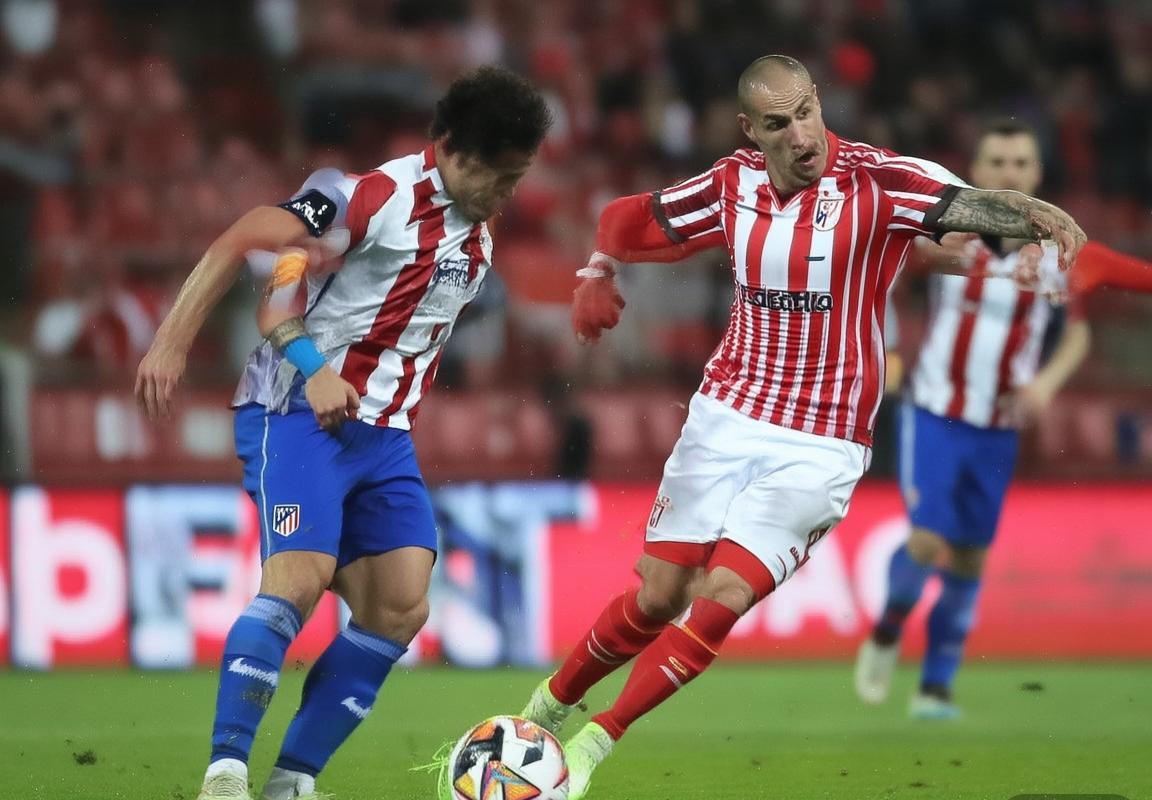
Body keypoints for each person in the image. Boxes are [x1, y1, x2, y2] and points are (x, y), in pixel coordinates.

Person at [513, 55, 1085, 800]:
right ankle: (547, 708)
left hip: (822, 438)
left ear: (819, 102)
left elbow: (966, 207)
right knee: (659, 594)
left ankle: (597, 740)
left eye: (807, 112)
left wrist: (1038, 214)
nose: (801, 135)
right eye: (779, 124)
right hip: (726, 414)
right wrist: (597, 269)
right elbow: (631, 216)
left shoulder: (878, 181)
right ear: (751, 130)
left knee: (722, 592)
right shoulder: (733, 184)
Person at [134, 66, 551, 800]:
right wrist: (179, 342)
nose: (506, 194)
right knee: (297, 584)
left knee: (400, 607)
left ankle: (291, 781)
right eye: (499, 176)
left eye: (516, 180)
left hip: (383, 438)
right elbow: (252, 247)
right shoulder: (370, 196)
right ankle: (226, 773)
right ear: (455, 151)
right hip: (298, 410)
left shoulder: (477, 235)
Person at [854, 119, 1152, 719]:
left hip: (998, 427)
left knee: (969, 558)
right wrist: (888, 352)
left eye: (1020, 163)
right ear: (977, 171)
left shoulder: (1067, 255)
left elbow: (1112, 303)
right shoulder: (945, 236)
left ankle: (935, 688)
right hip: (935, 413)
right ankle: (887, 630)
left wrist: (1045, 383)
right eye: (997, 163)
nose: (1009, 173)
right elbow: (872, 272)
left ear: (1037, 174)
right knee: (928, 538)